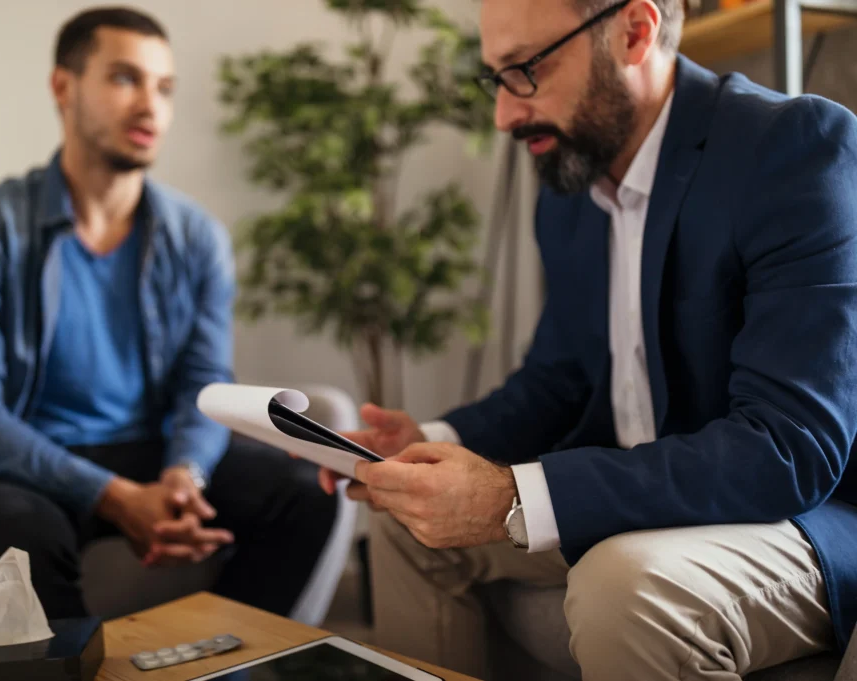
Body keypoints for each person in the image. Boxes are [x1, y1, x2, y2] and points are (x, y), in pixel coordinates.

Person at [318, 0, 857, 678]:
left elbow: (788, 448)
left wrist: (513, 497)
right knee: (404, 526)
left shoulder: (793, 149)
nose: (505, 115)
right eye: (495, 77)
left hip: (805, 515)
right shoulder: (571, 187)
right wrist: (429, 441)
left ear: (635, 32)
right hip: (645, 495)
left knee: (620, 582)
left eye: (526, 70)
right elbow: (555, 380)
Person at [0, 6, 342, 623]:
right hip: (20, 466)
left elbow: (204, 384)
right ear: (63, 87)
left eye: (165, 87)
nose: (152, 106)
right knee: (13, 538)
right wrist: (114, 498)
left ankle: (214, 666)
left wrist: (185, 476)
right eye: (125, 78)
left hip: (150, 450)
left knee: (302, 496)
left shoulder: (197, 237)